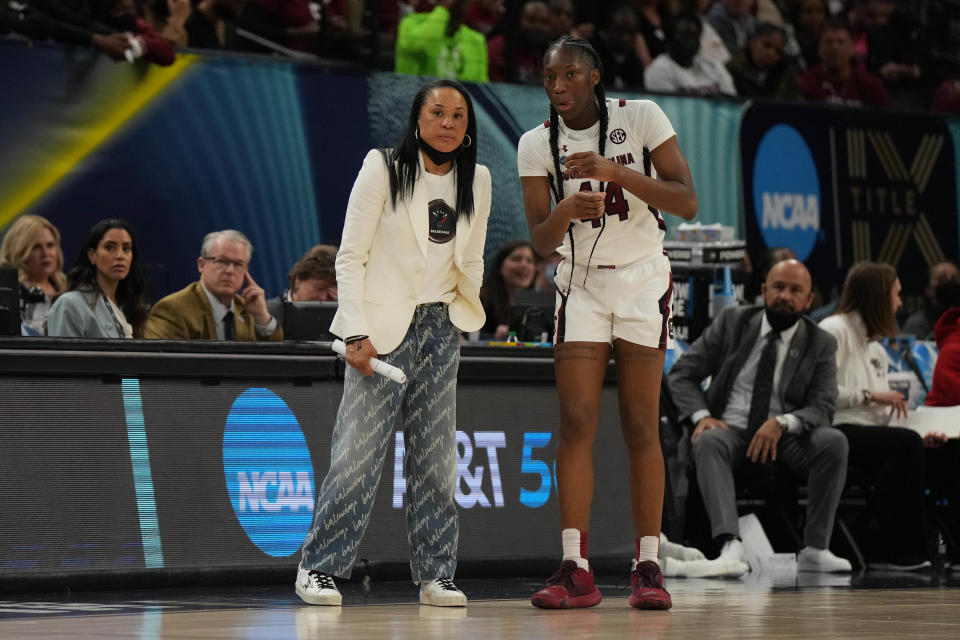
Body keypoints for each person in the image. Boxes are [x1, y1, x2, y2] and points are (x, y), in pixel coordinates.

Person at [518, 35, 697, 610]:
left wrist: (614, 173)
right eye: (550, 78)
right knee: (575, 422)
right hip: (581, 283)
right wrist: (567, 208)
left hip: (644, 278)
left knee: (642, 424)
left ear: (594, 76)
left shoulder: (641, 116)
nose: (559, 86)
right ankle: (576, 567)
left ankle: (648, 565)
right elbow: (541, 241)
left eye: (570, 75)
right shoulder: (535, 143)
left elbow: (686, 200)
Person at [296, 79, 491, 608]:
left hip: (442, 328)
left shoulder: (481, 180)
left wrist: (462, 312)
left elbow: (469, 258)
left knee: (435, 461)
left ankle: (436, 573)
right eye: (438, 112)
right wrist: (354, 330)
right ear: (417, 119)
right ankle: (318, 567)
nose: (449, 122)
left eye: (458, 115)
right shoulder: (382, 167)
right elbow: (350, 255)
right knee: (357, 455)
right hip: (381, 331)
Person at [668, 259, 853, 574]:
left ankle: (815, 548)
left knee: (833, 442)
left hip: (786, 436)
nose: (786, 296)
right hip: (732, 428)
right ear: (764, 291)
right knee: (709, 440)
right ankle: (730, 545)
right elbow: (682, 373)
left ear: (809, 301)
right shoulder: (733, 322)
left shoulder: (821, 342)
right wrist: (701, 416)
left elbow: (823, 407)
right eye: (779, 287)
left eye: (796, 291)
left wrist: (781, 423)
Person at [818, 262, 933, 570]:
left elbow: (885, 413)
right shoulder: (834, 330)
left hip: (871, 432)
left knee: (934, 448)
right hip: (837, 430)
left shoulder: (877, 348)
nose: (899, 303)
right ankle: (893, 550)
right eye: (895, 295)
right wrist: (869, 396)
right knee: (904, 445)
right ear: (879, 297)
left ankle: (940, 548)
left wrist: (923, 431)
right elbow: (821, 393)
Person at [143, 230, 282, 341]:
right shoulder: (172, 309)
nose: (230, 271)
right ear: (201, 265)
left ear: (246, 270)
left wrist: (262, 317)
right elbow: (162, 366)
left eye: (238, 264)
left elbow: (276, 360)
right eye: (222, 261)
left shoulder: (247, 309)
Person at [47, 219, 150, 339]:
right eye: (110, 247)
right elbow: (64, 357)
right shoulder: (70, 304)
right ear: (92, 255)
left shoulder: (130, 306)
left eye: (126, 249)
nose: (120, 256)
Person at [0, 215, 68, 335]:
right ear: (19, 251)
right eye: (36, 247)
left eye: (50, 245)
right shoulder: (9, 295)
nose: (46, 253)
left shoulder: (69, 290)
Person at [797, 19, 889, 107]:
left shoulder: (871, 85)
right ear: (819, 49)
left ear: (852, 49)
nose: (835, 48)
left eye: (841, 42)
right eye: (828, 42)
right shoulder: (806, 82)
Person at [644, 13, 737, 97]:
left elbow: (731, 101)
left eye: (695, 36)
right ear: (669, 39)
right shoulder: (659, 70)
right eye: (685, 36)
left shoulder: (713, 65)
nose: (691, 41)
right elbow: (668, 108)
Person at [394, 0, 489, 83]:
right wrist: (443, 9)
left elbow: (480, 89)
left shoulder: (476, 40)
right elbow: (421, 48)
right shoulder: (411, 24)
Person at [265, 244, 338, 326]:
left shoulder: (343, 320)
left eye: (331, 295)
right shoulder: (265, 315)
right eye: (320, 288)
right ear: (298, 280)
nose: (324, 299)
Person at [726, 22, 800, 99]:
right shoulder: (733, 67)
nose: (771, 53)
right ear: (752, 42)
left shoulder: (786, 73)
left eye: (778, 51)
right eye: (767, 45)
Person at [479, 240, 536, 339]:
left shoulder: (538, 306)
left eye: (529, 261)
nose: (524, 265)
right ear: (500, 267)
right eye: (516, 259)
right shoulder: (481, 300)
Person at [487, 0, 551, 84]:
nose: (537, 26)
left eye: (543, 22)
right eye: (531, 20)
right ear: (519, 20)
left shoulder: (550, 54)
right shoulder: (498, 46)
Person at [902, 261, 960, 340]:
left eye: (954, 278)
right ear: (928, 290)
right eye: (942, 279)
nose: (949, 282)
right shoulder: (916, 324)